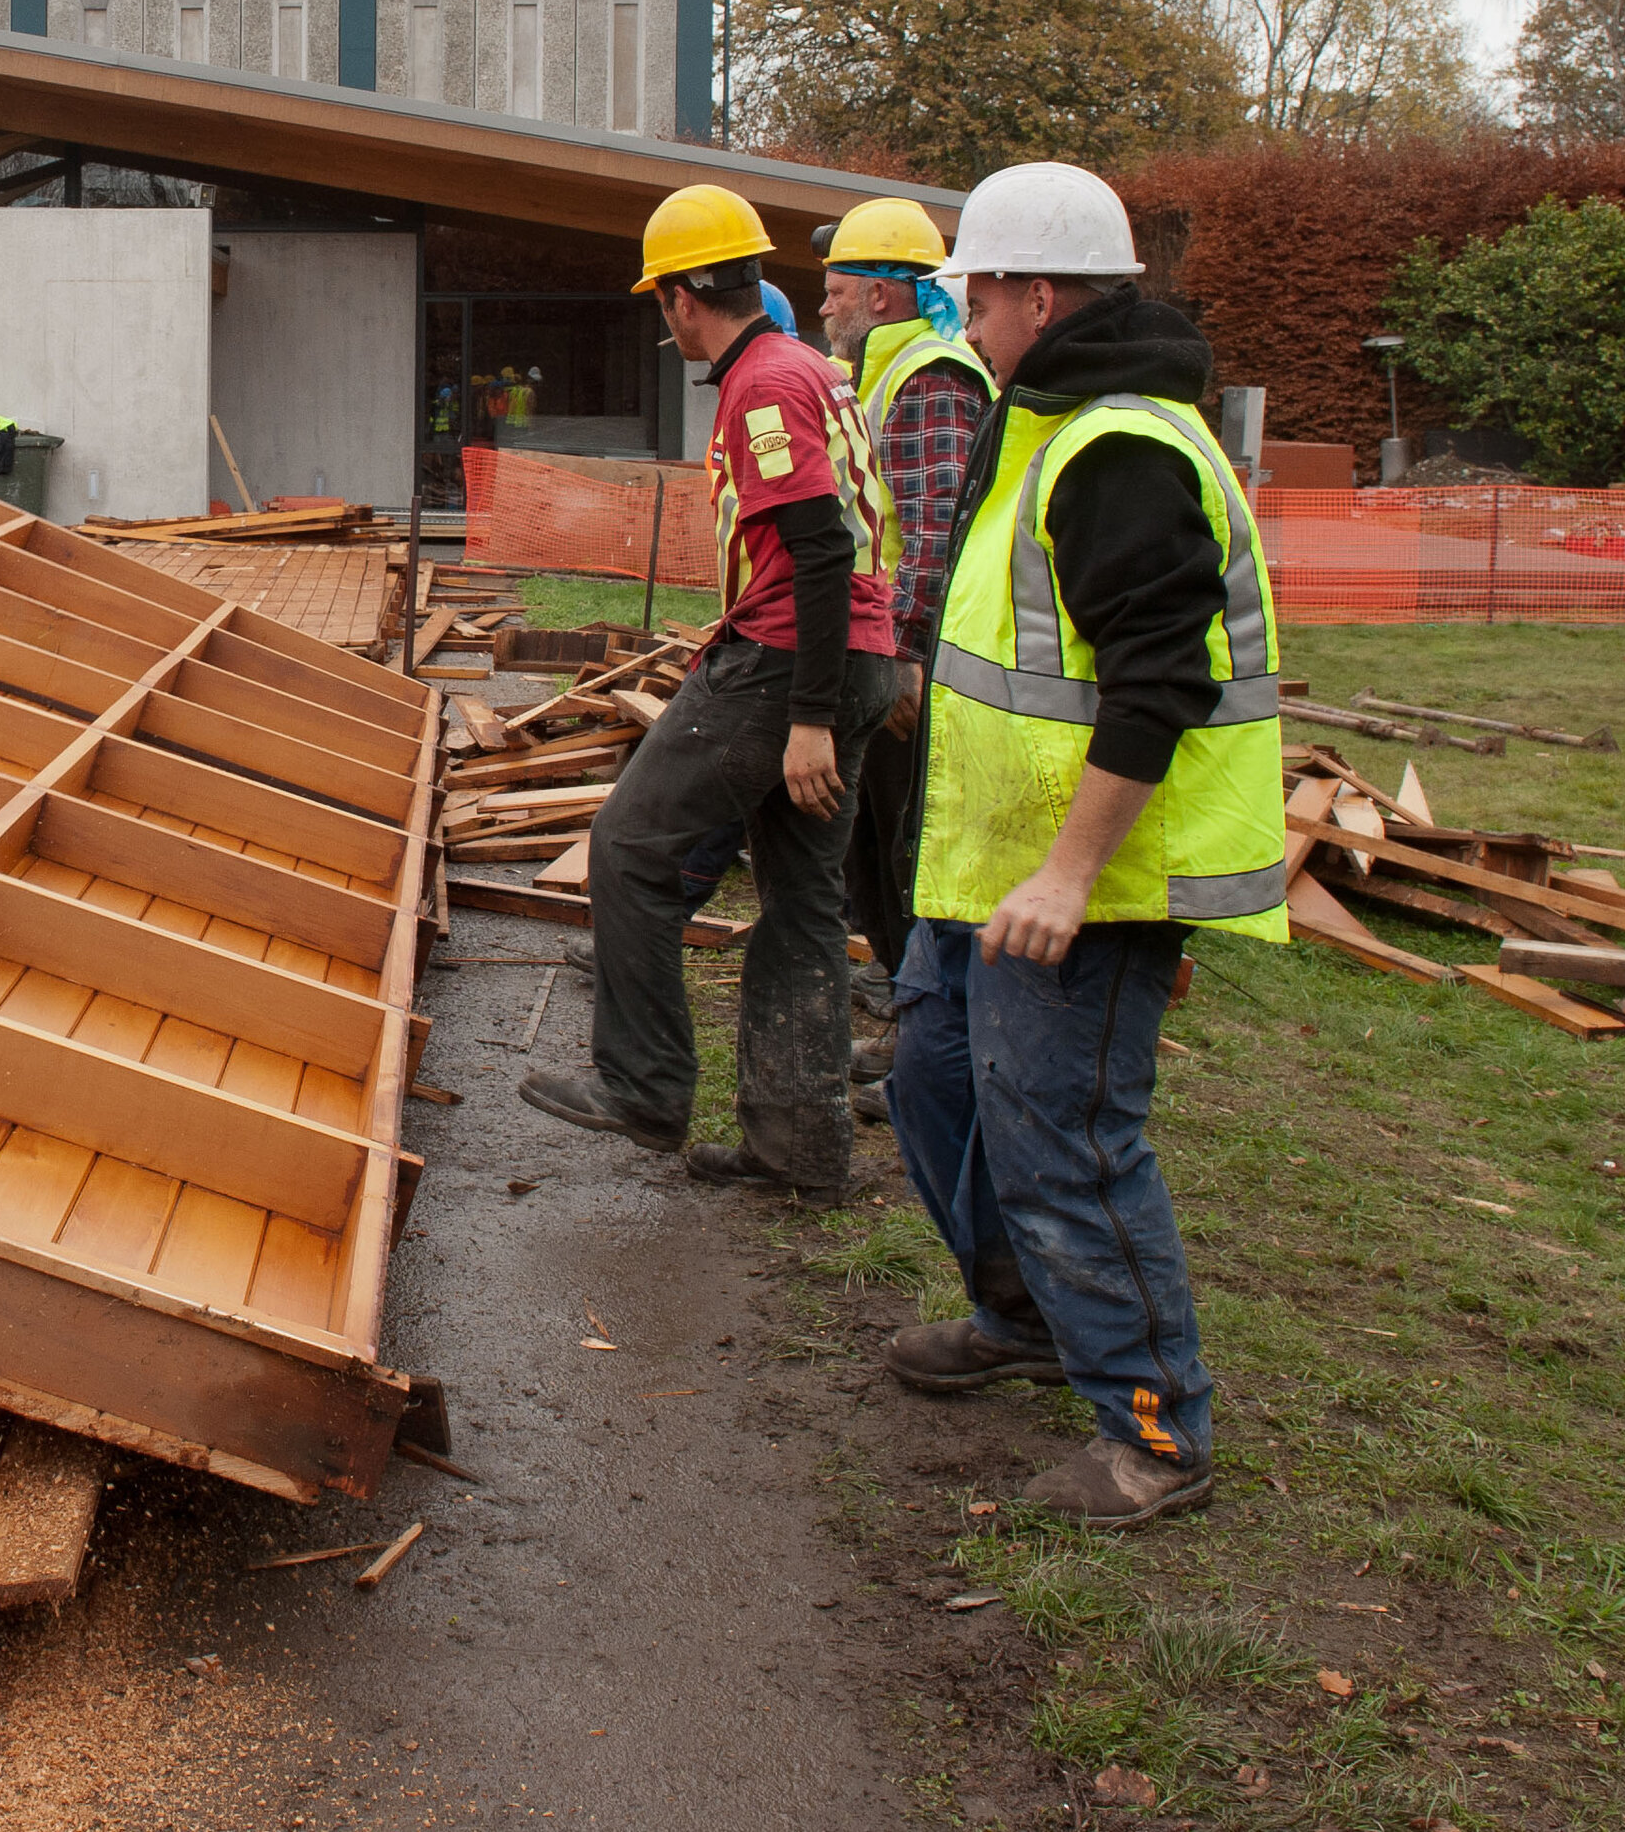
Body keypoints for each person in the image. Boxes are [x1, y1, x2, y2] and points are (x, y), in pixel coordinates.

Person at [880, 161, 1286, 1529]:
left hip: (1079, 883)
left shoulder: (1120, 447)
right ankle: (1022, 1313)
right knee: (934, 1083)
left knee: (1066, 1138)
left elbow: (1156, 680)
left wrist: (1065, 872)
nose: (966, 323)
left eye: (976, 296)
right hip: (985, 869)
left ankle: (1153, 1430)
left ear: (1036, 295)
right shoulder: (1044, 418)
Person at [521, 185, 897, 1194]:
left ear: (688, 296)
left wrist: (809, 717)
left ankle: (642, 1087)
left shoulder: (763, 386)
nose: (664, 318)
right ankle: (800, 1149)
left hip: (791, 664)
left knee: (630, 845)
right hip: (854, 655)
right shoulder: (813, 369)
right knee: (804, 902)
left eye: (661, 299)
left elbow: (820, 545)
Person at [808, 199, 996, 1085]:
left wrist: (903, 655)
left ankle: (929, 1050)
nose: (822, 308)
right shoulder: (883, 370)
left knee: (908, 849)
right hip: (882, 650)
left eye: (836, 290)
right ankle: (911, 1026)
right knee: (874, 843)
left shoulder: (930, 378)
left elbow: (928, 529)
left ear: (881, 297)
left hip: (909, 663)